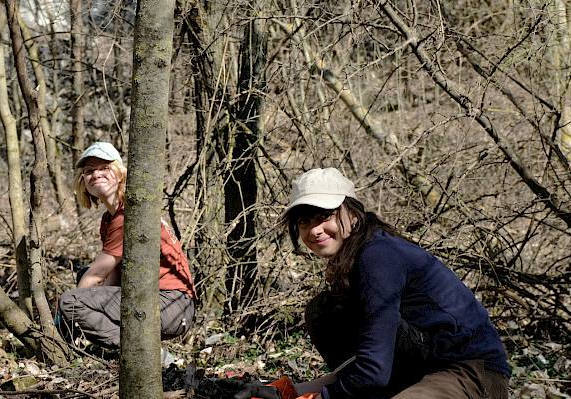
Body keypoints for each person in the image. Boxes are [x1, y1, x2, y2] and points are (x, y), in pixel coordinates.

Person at [238, 168, 510, 399]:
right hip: (420, 367)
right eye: (305, 221)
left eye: (325, 216)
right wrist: (291, 392)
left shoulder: (379, 257)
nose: (315, 230)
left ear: (353, 214)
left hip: (471, 372)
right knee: (325, 310)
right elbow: (360, 365)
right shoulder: (354, 261)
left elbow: (373, 370)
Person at [57, 142, 196, 349]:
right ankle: (117, 347)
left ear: (120, 174)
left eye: (105, 168)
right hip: (158, 300)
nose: (96, 174)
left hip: (171, 304)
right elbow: (112, 277)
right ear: (83, 181)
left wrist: (63, 317)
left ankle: (137, 350)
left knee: (71, 301)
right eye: (89, 171)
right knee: (84, 281)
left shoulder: (127, 215)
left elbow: (96, 276)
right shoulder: (110, 218)